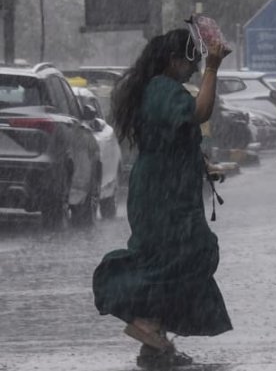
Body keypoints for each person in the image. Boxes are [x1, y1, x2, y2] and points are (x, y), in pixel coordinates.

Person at [92, 25, 232, 368]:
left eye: (200, 64)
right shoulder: (161, 90)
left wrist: (202, 163)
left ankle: (154, 347)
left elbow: (176, 136)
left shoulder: (159, 90)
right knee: (187, 253)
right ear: (172, 60)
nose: (195, 69)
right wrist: (214, 67)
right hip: (163, 193)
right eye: (192, 62)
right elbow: (199, 113)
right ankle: (147, 322)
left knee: (168, 258)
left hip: (166, 188)